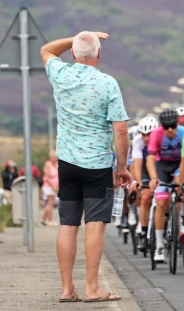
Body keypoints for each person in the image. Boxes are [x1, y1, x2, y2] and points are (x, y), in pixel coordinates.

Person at [41, 31, 132, 303]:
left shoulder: (62, 75)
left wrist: (75, 39)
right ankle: (93, 288)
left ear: (73, 53)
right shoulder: (107, 83)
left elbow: (46, 50)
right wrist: (123, 168)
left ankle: (67, 290)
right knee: (94, 225)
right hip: (97, 165)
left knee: (68, 224)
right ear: (99, 54)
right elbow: (122, 130)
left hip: (67, 164)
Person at [146, 108, 184, 262]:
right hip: (162, 166)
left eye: (173, 126)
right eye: (166, 127)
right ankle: (159, 246)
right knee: (162, 202)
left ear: (177, 124)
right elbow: (150, 158)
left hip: (179, 165)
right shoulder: (156, 134)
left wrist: (183, 178)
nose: (170, 130)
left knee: (180, 188)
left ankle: (183, 217)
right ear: (161, 126)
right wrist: (153, 177)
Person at [131, 116, 159, 252]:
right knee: (145, 197)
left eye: (150, 134)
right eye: (144, 135)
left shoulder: (161, 138)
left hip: (160, 166)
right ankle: (143, 232)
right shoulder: (137, 141)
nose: (147, 138)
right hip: (145, 169)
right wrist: (138, 181)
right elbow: (137, 164)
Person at [41, 150, 59, 226]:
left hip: (55, 186)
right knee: (51, 203)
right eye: (54, 157)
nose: (55, 159)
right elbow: (47, 177)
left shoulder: (57, 165)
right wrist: (53, 187)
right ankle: (49, 220)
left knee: (50, 203)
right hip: (48, 186)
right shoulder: (48, 165)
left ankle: (43, 219)